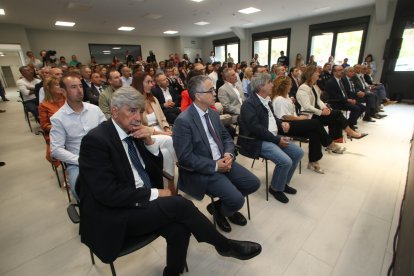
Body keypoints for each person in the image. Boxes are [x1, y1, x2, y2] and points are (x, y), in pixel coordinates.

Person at [78, 86, 262, 275]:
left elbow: (154, 171)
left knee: (179, 229)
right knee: (180, 205)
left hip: (141, 202)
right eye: (132, 111)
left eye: (140, 111)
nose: (137, 117)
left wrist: (149, 142)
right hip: (117, 213)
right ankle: (224, 246)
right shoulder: (96, 141)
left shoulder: (134, 132)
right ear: (115, 111)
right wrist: (157, 193)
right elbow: (108, 194)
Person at [173, 75, 260, 232]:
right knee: (237, 200)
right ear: (198, 96)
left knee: (253, 183)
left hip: (224, 161)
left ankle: (220, 208)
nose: (215, 93)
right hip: (205, 169)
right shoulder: (183, 121)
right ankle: (224, 211)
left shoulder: (212, 113)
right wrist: (214, 165)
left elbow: (226, 136)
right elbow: (185, 157)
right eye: (211, 90)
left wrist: (228, 154)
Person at [238, 73, 304, 203]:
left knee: (298, 153)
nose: (272, 85)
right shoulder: (249, 104)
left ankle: (282, 183)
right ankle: (275, 188)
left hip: (271, 137)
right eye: (270, 82)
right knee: (285, 161)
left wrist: (282, 123)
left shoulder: (266, 100)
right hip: (257, 140)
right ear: (261, 86)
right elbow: (256, 129)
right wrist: (277, 140)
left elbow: (272, 119)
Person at [271, 76, 345, 173]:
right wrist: (300, 118)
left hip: (292, 122)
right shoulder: (280, 99)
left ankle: (314, 161)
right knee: (316, 123)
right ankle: (329, 144)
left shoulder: (286, 96)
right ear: (284, 87)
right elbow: (285, 117)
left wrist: (300, 116)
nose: (291, 87)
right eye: (290, 85)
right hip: (285, 126)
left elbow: (290, 113)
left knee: (314, 132)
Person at [50, 73, 106, 200]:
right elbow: (56, 150)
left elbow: (107, 132)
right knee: (79, 189)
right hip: (78, 162)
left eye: (80, 86)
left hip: (103, 155)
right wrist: (80, 160)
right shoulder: (58, 118)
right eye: (73, 87)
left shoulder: (94, 110)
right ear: (63, 92)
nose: (79, 90)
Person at [131, 71, 176, 193]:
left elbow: (162, 118)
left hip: (161, 131)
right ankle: (180, 167)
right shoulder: (133, 102)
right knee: (169, 139)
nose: (152, 84)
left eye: (152, 82)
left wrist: (166, 128)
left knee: (166, 152)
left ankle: (170, 182)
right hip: (146, 135)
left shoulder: (153, 99)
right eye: (148, 82)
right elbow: (138, 126)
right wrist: (163, 134)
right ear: (139, 84)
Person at [296, 66, 367, 142]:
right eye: (316, 72)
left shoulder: (313, 86)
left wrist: (325, 108)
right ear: (311, 75)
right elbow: (307, 107)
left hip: (316, 112)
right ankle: (349, 133)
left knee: (335, 116)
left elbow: (318, 101)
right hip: (309, 115)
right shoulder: (303, 88)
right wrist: (321, 112)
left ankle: (336, 139)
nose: (318, 74)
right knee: (337, 114)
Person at [325, 65, 365, 130]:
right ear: (334, 72)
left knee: (362, 107)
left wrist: (355, 95)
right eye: (340, 70)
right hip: (336, 102)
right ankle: (350, 126)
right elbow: (334, 96)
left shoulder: (342, 80)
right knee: (356, 108)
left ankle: (347, 124)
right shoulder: (330, 82)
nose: (342, 71)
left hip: (345, 100)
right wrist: (347, 100)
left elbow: (347, 91)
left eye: (342, 70)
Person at [38, 76, 66, 167]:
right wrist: (60, 128)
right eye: (57, 85)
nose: (60, 87)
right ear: (49, 88)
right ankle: (68, 170)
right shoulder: (44, 105)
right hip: (56, 134)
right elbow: (44, 125)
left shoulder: (68, 99)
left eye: (61, 85)